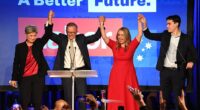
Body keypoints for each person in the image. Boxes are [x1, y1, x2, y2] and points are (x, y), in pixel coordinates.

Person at [46, 10, 102, 109]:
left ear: (76, 32)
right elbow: (49, 34)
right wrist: (50, 18)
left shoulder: (82, 39)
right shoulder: (62, 39)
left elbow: (96, 37)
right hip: (66, 72)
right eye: (68, 32)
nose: (70, 34)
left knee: (82, 98)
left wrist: (101, 23)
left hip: (80, 71)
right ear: (66, 31)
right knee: (68, 98)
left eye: (72, 32)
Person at [139, 14, 197, 109]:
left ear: (176, 24)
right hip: (165, 71)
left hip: (178, 72)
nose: (167, 26)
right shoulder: (165, 35)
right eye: (167, 24)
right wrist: (144, 24)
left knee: (178, 99)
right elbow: (149, 35)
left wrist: (191, 61)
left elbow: (194, 54)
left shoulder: (186, 39)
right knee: (164, 99)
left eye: (169, 24)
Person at [9, 11, 53, 110]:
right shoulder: (19, 47)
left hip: (38, 77)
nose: (33, 38)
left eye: (34, 35)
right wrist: (13, 78)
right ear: (26, 34)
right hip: (24, 78)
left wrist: (49, 18)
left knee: (37, 102)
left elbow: (48, 34)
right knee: (24, 102)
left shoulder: (38, 43)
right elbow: (16, 63)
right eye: (30, 35)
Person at [99, 15, 143, 110]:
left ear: (127, 36)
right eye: (118, 35)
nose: (120, 37)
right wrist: (101, 23)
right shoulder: (114, 45)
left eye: (122, 35)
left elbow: (139, 34)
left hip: (129, 76)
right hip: (116, 77)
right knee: (116, 96)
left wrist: (140, 22)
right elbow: (104, 36)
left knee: (130, 97)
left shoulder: (132, 46)